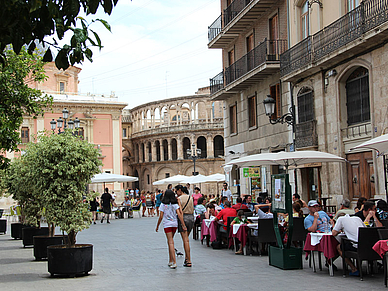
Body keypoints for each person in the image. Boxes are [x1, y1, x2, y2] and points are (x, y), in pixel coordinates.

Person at [155, 189, 186, 269]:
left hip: (167, 224)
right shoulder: (174, 204)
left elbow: (161, 216)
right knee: (170, 241)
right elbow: (179, 214)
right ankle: (170, 260)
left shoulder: (163, 205)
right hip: (174, 224)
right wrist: (183, 224)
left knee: (170, 242)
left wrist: (157, 225)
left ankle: (174, 262)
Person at [175, 184, 194, 267]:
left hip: (184, 218)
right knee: (187, 239)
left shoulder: (179, 199)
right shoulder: (191, 197)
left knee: (186, 240)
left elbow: (179, 212)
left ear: (180, 190)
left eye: (176, 191)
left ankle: (189, 260)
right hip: (191, 218)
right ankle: (186, 258)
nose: (176, 193)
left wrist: (182, 223)